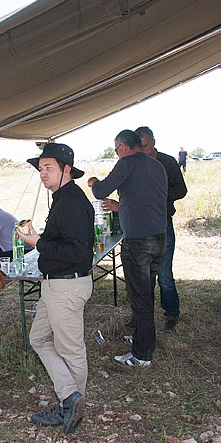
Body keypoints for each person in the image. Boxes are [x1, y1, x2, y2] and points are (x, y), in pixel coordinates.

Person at [15, 143, 94, 434]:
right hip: (55, 284)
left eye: (48, 168)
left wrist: (37, 242)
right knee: (38, 338)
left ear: (66, 169)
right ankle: (70, 397)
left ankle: (70, 406)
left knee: (71, 349)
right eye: (41, 168)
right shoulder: (63, 198)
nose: (42, 174)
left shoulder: (71, 201)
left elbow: (77, 252)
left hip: (67, 286)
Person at [89, 129, 167, 367]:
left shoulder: (127, 163)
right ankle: (143, 336)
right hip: (159, 237)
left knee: (140, 296)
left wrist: (93, 182)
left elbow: (101, 191)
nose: (117, 154)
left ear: (123, 146)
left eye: (116, 150)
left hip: (138, 240)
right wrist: (122, 205)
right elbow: (144, 198)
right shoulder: (157, 166)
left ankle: (142, 355)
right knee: (146, 291)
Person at [125, 127, 188, 330]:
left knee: (164, 273)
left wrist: (157, 196)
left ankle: (172, 313)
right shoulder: (131, 163)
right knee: (142, 276)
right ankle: (141, 315)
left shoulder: (167, 162)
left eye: (145, 145)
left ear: (153, 141)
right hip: (138, 226)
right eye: (138, 146)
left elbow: (181, 190)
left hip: (162, 223)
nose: (142, 150)